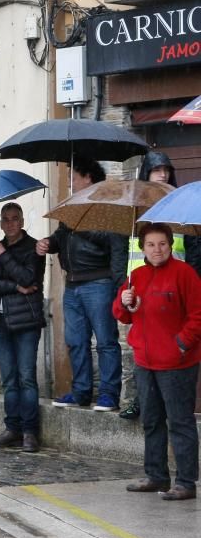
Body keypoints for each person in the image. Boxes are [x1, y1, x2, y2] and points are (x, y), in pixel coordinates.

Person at [114, 223, 201, 501]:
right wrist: (124, 301)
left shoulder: (185, 273)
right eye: (151, 244)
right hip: (145, 362)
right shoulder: (135, 275)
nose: (157, 249)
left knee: (180, 422)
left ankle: (186, 482)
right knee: (151, 420)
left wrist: (181, 344)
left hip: (177, 363)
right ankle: (156, 475)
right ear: (143, 248)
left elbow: (198, 315)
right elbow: (123, 315)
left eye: (162, 243)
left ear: (169, 245)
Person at [37, 157, 128, 411]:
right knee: (76, 341)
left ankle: (109, 394)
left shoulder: (109, 203)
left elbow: (113, 240)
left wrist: (82, 226)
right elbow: (61, 236)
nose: (70, 183)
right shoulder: (74, 207)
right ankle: (81, 391)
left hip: (99, 283)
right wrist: (48, 243)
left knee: (106, 341)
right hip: (73, 285)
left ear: (88, 177)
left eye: (73, 178)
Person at [120, 151, 200, 420]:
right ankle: (135, 401)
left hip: (174, 292)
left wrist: (181, 343)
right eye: (157, 169)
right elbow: (122, 254)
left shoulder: (180, 209)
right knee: (134, 356)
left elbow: (192, 249)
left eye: (167, 169)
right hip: (138, 290)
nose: (163, 174)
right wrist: (122, 294)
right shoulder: (135, 212)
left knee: (178, 416)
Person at [0, 203, 46, 453]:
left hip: (26, 320)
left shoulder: (34, 247)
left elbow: (29, 278)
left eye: (14, 219)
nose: (9, 224)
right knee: (8, 379)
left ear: (22, 221)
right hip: (0, 320)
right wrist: (14, 287)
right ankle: (12, 428)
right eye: (5, 219)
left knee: (26, 376)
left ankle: (29, 431)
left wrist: (2, 257)